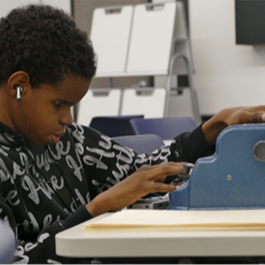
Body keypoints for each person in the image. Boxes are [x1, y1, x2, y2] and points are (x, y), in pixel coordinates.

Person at [0, 4, 265, 265]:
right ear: (19, 87)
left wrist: (213, 128)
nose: (68, 119)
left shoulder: (72, 141)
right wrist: (96, 209)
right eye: (59, 104)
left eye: (72, 106)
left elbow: (141, 173)